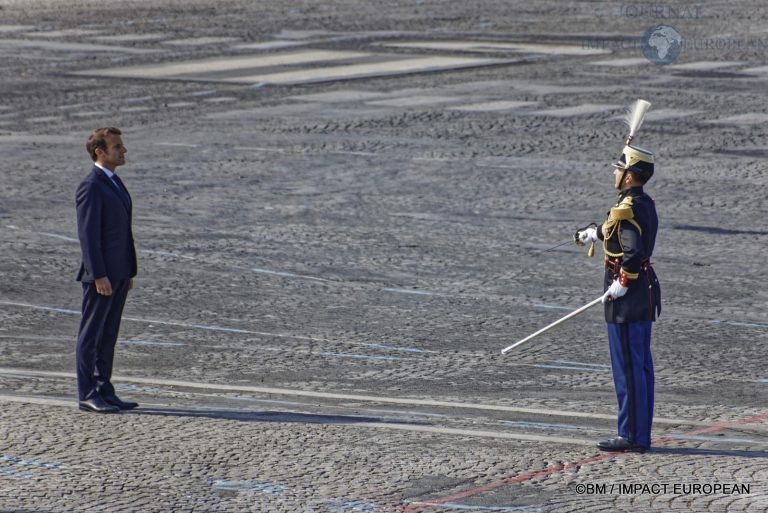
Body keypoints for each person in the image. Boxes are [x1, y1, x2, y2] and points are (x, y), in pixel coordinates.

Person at [576, 144, 662, 452]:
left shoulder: (628, 206)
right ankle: (640, 433)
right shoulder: (639, 202)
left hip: (627, 297)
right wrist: (595, 233)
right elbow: (619, 229)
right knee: (639, 367)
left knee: (628, 368)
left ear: (629, 176)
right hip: (642, 295)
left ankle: (632, 435)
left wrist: (622, 282)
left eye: (618, 168)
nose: (614, 172)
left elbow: (632, 249)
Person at [75, 127, 139, 413]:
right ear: (100, 151)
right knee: (91, 335)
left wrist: (128, 272)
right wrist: (98, 274)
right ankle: (87, 393)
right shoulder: (91, 185)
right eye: (117, 146)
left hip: (119, 273)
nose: (123, 150)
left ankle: (104, 388)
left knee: (109, 334)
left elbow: (121, 232)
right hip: (100, 276)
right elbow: (88, 236)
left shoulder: (113, 181)